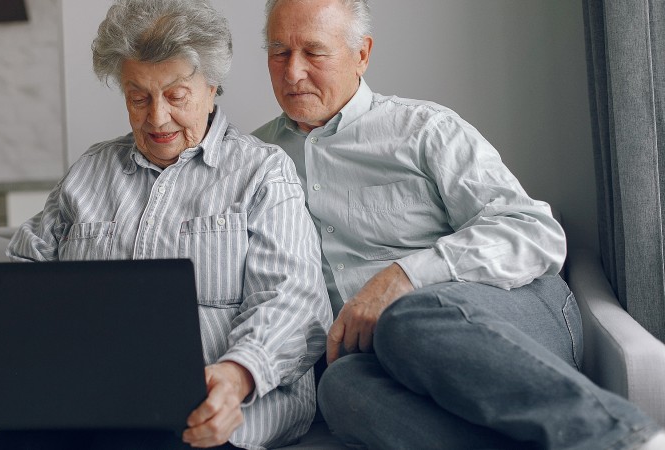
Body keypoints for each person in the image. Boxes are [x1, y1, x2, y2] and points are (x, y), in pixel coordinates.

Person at [252, 0, 665, 449]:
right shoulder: (254, 161)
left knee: (407, 315)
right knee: (340, 387)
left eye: (314, 52)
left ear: (362, 54)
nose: (292, 72)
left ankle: (622, 439)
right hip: (378, 358)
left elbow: (534, 232)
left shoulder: (423, 129)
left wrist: (404, 277)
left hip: (507, 316)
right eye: (279, 52)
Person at [0, 1, 332, 449]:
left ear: (211, 87)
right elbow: (21, 274)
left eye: (175, 95)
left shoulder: (262, 172)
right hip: (91, 398)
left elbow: (296, 303)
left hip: (215, 406)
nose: (156, 118)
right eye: (138, 97)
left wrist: (237, 375)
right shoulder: (89, 173)